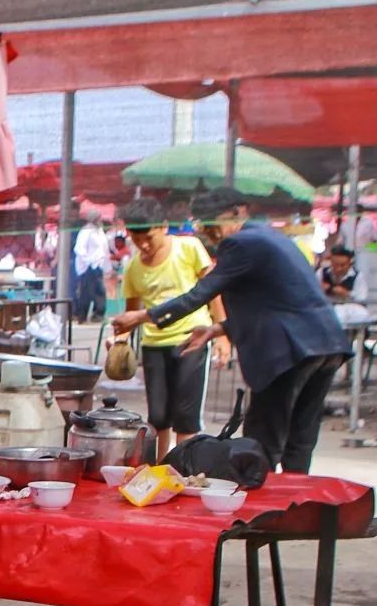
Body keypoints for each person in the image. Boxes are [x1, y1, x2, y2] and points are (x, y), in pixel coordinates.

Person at [113, 196, 350, 472]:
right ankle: (294, 508)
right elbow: (274, 302)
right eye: (204, 224)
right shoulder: (271, 238)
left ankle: (262, 510)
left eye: (215, 221)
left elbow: (201, 293)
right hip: (327, 345)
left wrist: (143, 316)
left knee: (262, 443)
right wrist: (218, 329)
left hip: (290, 350)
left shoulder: (240, 244)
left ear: (238, 212)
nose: (210, 231)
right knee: (300, 439)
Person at [120, 209, 219, 460]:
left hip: (191, 339)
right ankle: (158, 468)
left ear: (164, 227)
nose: (143, 244)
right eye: (135, 238)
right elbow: (131, 315)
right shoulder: (133, 268)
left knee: (186, 416)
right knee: (158, 415)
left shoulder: (189, 248)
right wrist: (119, 339)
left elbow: (212, 291)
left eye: (148, 237)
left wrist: (223, 333)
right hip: (153, 344)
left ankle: (185, 468)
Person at [71, 218, 109, 322]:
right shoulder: (85, 231)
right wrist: (86, 260)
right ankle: (81, 315)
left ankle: (98, 314)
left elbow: (104, 249)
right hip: (87, 266)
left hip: (98, 265)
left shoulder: (100, 231)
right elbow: (79, 249)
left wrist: (106, 266)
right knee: (85, 293)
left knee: (99, 290)